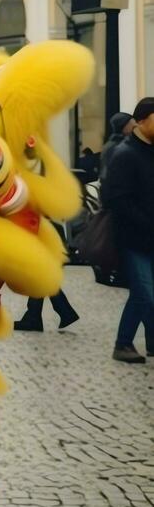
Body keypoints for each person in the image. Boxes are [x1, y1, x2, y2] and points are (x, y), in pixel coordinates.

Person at [102, 97, 154, 363]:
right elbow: (116, 200)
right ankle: (122, 344)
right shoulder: (125, 153)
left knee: (145, 293)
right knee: (145, 293)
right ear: (142, 120)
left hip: (149, 238)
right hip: (133, 238)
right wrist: (146, 221)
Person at [101, 111, 134, 178]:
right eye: (132, 125)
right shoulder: (116, 146)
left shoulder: (114, 144)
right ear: (123, 126)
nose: (136, 126)